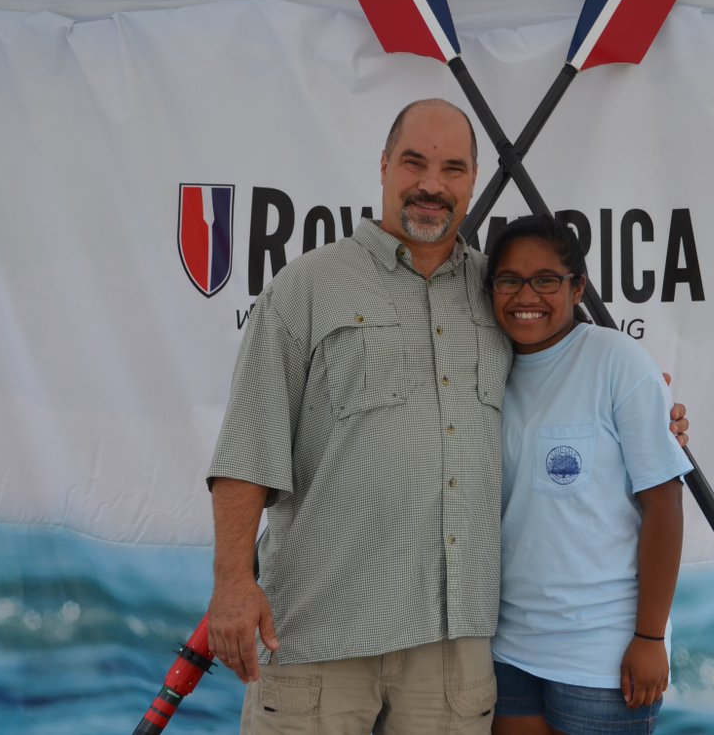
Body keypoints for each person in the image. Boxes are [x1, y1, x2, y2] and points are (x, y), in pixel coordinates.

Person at [204, 99, 688, 735]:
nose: (432, 184)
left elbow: (568, 376)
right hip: (322, 633)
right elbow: (250, 444)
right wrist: (232, 583)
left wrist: (652, 412)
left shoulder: (496, 290)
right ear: (384, 166)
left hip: (452, 651)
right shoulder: (306, 287)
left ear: (473, 180)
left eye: (453, 168)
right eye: (415, 163)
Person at [485, 214, 692, 735]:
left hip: (603, 656)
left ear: (577, 287)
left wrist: (650, 638)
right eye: (509, 280)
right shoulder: (487, 368)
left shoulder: (616, 360)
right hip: (508, 647)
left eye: (545, 280)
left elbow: (664, 504)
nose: (525, 296)